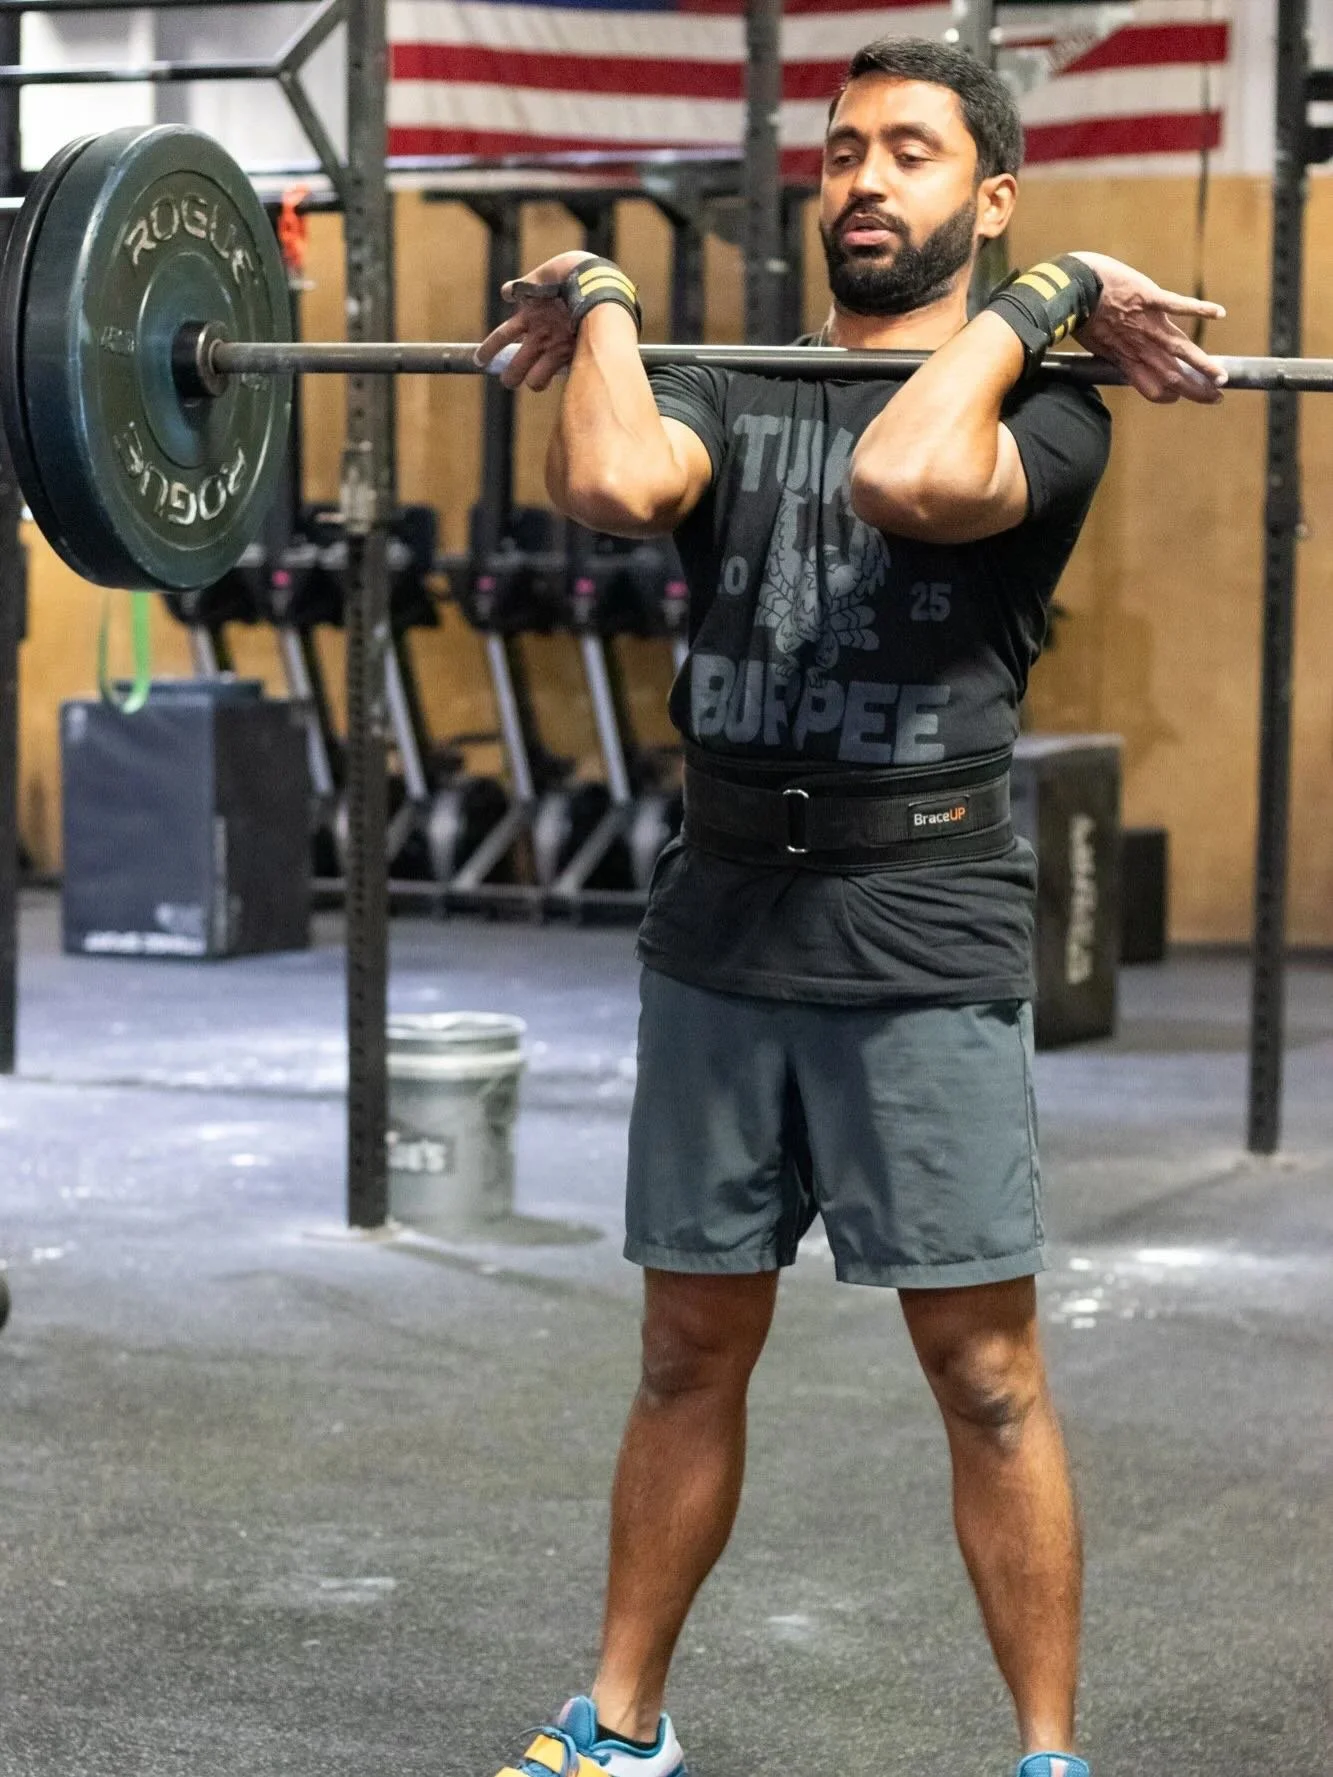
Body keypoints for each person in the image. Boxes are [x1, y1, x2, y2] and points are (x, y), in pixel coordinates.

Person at [477, 35, 1226, 1777]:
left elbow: (906, 478)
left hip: (921, 918)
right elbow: (606, 483)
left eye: (909, 151)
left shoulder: (1048, 405)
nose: (867, 182)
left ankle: (1048, 1757)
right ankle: (622, 1725)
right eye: (841, 155)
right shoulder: (734, 381)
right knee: (682, 1350)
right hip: (727, 916)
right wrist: (598, 291)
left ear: (989, 195)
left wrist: (1044, 310)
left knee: (984, 1373)